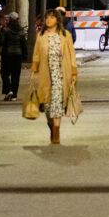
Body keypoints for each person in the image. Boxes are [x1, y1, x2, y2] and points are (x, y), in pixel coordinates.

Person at [31, 9, 82, 144]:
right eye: (47, 17)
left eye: (52, 17)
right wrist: (34, 71)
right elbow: (36, 54)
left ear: (58, 20)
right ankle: (52, 126)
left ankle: (56, 133)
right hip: (45, 75)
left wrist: (74, 72)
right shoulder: (41, 36)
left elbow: (72, 55)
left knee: (57, 105)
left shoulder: (66, 35)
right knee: (48, 107)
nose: (49, 20)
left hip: (61, 75)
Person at [0, 12, 27, 101]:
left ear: (10, 20)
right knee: (16, 75)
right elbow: (23, 44)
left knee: (5, 73)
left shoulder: (5, 30)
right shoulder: (21, 31)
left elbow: (0, 42)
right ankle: (14, 95)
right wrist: (25, 55)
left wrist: (2, 29)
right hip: (18, 55)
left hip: (7, 55)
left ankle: (8, 90)